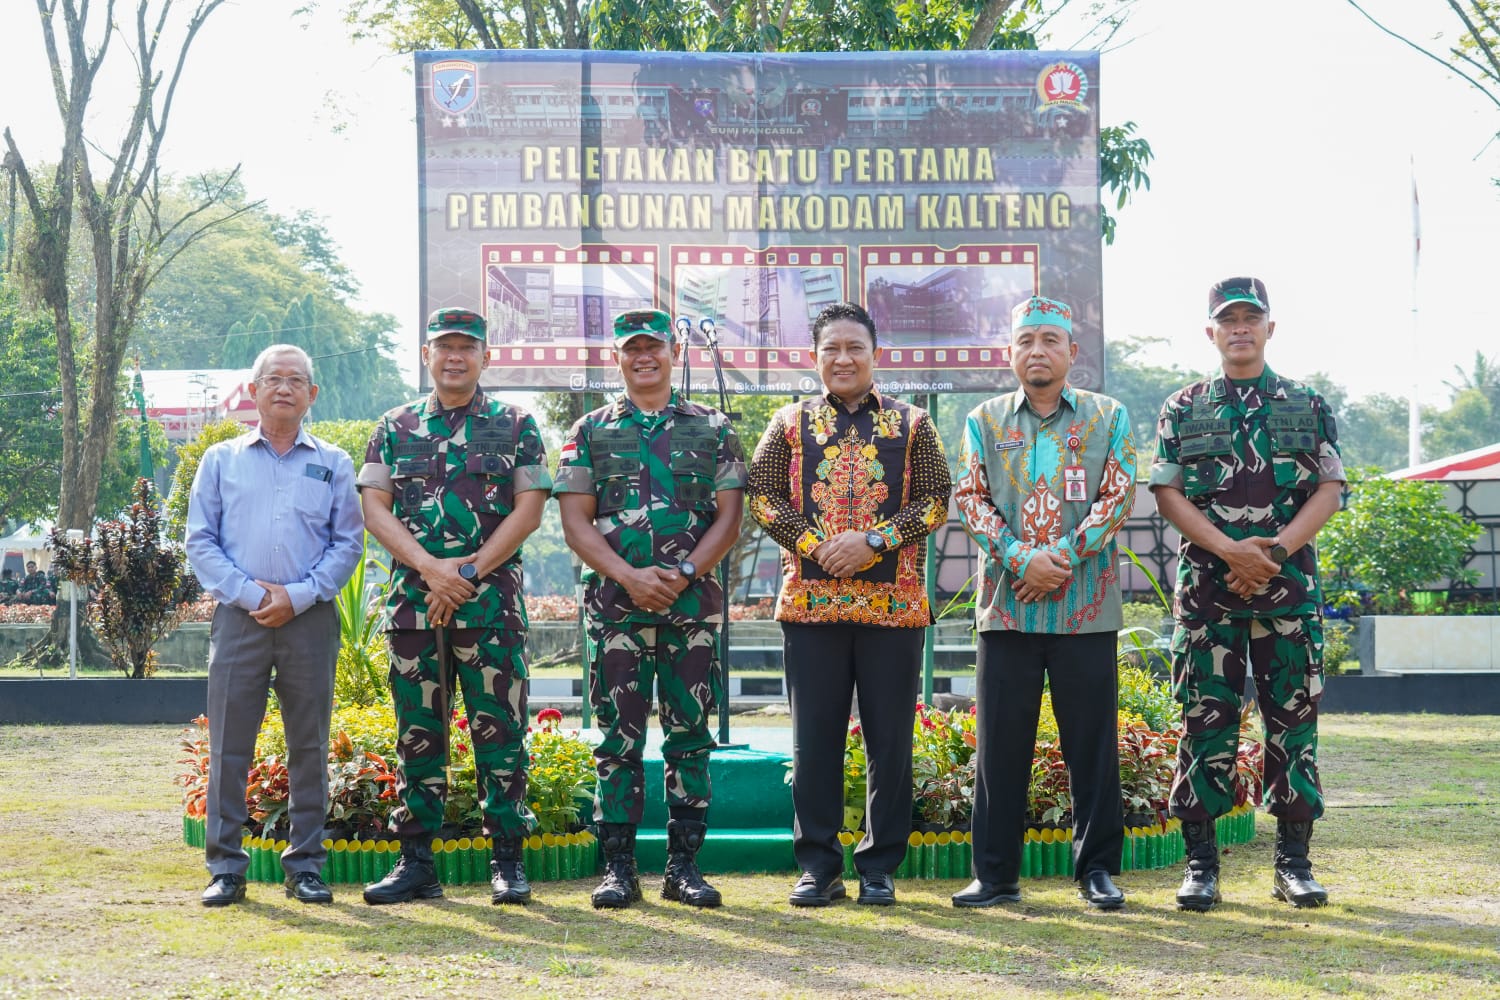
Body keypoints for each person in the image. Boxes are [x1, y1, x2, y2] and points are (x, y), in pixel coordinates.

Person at [747, 301, 951, 908]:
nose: (843, 358)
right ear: (814, 357)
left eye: (854, 348)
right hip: (811, 606)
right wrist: (819, 547)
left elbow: (939, 499)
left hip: (894, 608)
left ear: (874, 354)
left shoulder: (915, 424)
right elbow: (761, 498)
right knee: (815, 743)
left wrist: (874, 542)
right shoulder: (788, 423)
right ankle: (818, 866)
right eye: (831, 348)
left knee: (890, 741)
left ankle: (880, 867)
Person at [1150, 277, 1345, 911]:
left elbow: (1328, 490)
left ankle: (1294, 862)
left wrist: (1275, 552)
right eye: (1227, 319)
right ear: (1211, 331)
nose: (1239, 328)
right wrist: (1231, 551)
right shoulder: (1183, 407)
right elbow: (1168, 494)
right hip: (1209, 596)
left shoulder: (1306, 402)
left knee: (1294, 725)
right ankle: (1200, 865)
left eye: (1250, 318)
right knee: (1204, 724)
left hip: (1287, 595)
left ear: (1269, 327)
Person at [358, 307, 551, 906]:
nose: (455, 357)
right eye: (444, 347)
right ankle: (416, 863)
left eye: (467, 347)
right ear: (426, 356)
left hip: (490, 606)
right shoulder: (394, 426)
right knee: (418, 735)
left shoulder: (516, 423)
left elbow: (529, 509)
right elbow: (375, 508)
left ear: (485, 357)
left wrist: (466, 572)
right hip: (416, 607)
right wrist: (432, 569)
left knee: (502, 736)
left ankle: (508, 862)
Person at [554, 308, 745, 910]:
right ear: (617, 356)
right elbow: (574, 521)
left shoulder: (712, 427)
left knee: (690, 734)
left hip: (691, 608)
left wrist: (684, 572)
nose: (644, 357)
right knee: (617, 739)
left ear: (673, 351)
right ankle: (617, 869)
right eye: (632, 348)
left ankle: (682, 867)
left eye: (654, 347)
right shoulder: (590, 430)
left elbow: (730, 517)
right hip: (616, 609)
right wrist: (630, 577)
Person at [951, 295, 1137, 911]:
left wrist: (1057, 559)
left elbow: (1117, 497)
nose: (1037, 350)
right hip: (1007, 610)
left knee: (1092, 745)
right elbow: (972, 500)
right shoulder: (983, 421)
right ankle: (995, 875)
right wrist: (1018, 557)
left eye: (1050, 340)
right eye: (1026, 339)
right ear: (1010, 352)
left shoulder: (1110, 418)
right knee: (1000, 747)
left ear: (1071, 353)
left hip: (1086, 609)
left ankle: (1097, 872)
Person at [185, 344, 363, 906]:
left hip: (309, 621)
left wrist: (299, 596)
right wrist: (253, 593)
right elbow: (201, 542)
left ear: (312, 395)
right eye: (273, 379)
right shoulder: (221, 460)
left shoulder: (333, 462)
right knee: (229, 745)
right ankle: (226, 868)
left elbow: (347, 543)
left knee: (308, 745)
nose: (284, 388)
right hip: (239, 620)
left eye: (296, 380)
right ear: (253, 391)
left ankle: (306, 865)